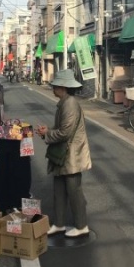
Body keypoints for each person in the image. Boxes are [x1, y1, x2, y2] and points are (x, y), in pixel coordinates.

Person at [36, 68, 91, 237]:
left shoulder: (70, 104)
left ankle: (81, 226)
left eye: (55, 86)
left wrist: (47, 133)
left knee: (74, 190)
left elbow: (65, 132)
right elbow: (62, 129)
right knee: (59, 189)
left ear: (63, 87)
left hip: (72, 154)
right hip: (64, 154)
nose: (53, 88)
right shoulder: (65, 102)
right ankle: (59, 223)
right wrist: (49, 130)